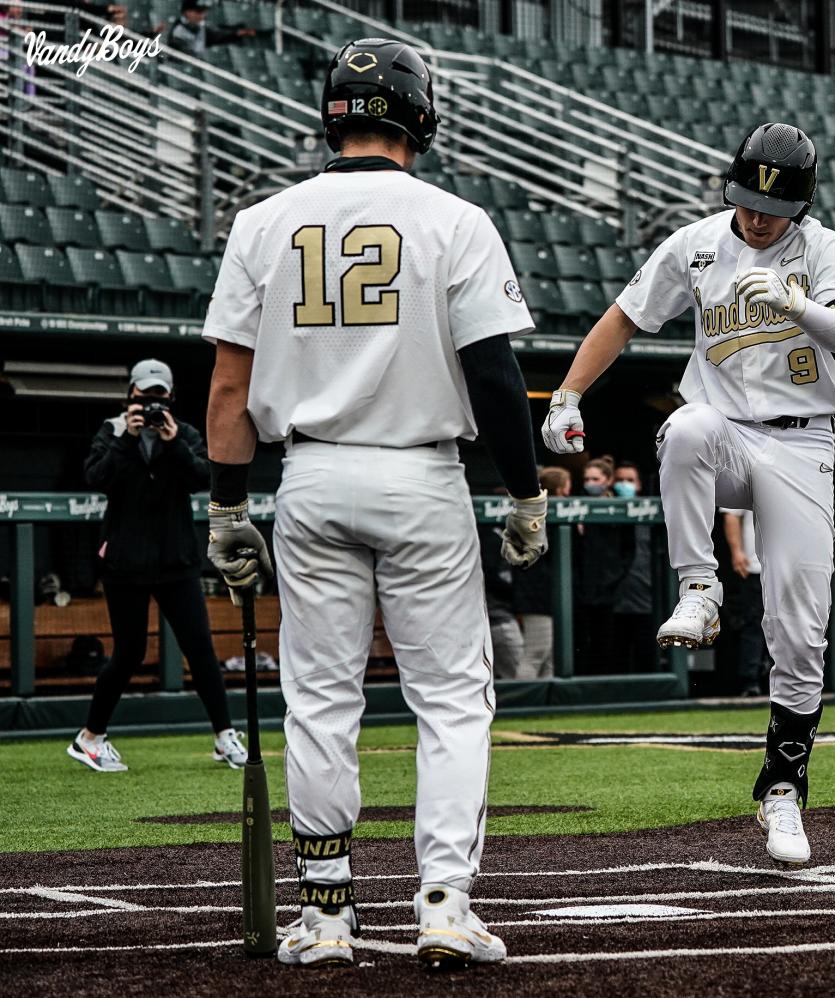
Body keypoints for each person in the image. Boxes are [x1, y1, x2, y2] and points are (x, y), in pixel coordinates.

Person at [200, 39, 547, 971]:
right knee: (449, 701)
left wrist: (226, 506)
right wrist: (524, 492)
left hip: (308, 476)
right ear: (420, 119)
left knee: (318, 698)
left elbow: (228, 389)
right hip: (420, 474)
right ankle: (442, 903)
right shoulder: (455, 219)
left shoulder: (261, 220)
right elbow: (494, 373)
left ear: (331, 115)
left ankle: (323, 917)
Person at [541, 122, 835, 866]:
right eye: (747, 201)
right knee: (685, 427)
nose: (757, 217)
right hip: (725, 430)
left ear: (801, 205)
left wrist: (795, 307)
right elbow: (623, 317)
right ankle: (699, 588)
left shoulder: (823, 250)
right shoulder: (694, 242)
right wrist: (566, 393)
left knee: (799, 624)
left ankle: (782, 788)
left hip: (800, 437)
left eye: (772, 208)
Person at [67, 359, 247, 774]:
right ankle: (90, 737)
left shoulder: (183, 434)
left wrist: (173, 444)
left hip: (175, 560)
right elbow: (95, 478)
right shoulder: (112, 431)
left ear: (170, 398)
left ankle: (224, 736)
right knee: (128, 654)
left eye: (158, 397)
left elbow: (203, 477)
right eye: (143, 396)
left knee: (200, 649)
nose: (150, 405)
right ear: (130, 394)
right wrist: (127, 439)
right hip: (125, 564)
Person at [574, 457, 636, 673]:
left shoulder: (622, 507)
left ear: (608, 480)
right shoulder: (575, 506)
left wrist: (616, 575)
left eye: (595, 478)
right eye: (587, 479)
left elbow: (629, 549)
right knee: (581, 640)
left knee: (608, 640)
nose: (590, 483)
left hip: (611, 586)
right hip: (582, 585)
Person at [512, 465, 570, 679]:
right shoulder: (537, 518)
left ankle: (548, 708)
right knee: (535, 653)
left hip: (545, 596)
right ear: (561, 489)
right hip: (536, 597)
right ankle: (524, 702)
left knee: (550, 657)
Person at [612, 461, 658, 673]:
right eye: (619, 480)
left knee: (647, 658)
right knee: (614, 658)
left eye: (629, 480)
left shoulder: (651, 517)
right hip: (612, 603)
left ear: (639, 485)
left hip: (648, 601)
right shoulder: (608, 514)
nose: (624, 485)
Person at [479, 490, 524, 680]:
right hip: (497, 616)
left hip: (501, 614)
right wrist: (516, 594)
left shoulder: (509, 534)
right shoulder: (488, 535)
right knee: (518, 674)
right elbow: (491, 575)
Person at [723, 508, 767, 696]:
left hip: (789, 566)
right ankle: (751, 681)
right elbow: (731, 514)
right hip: (755, 565)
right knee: (754, 622)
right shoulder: (745, 477)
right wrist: (737, 552)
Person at [166, 0, 254, 55]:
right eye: (198, 12)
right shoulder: (178, 31)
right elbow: (180, 55)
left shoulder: (199, 26)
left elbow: (216, 35)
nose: (202, 15)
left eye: (202, 12)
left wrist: (236, 33)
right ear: (187, 12)